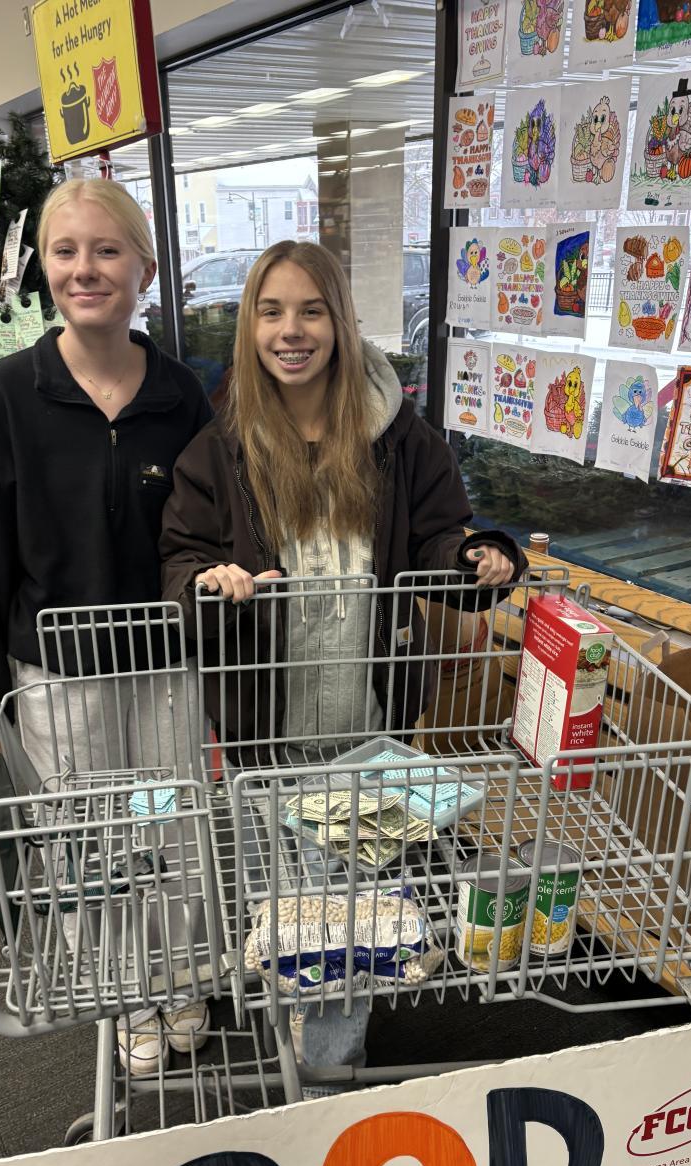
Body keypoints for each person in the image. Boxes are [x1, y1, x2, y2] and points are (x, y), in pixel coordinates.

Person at [159, 239, 527, 1072]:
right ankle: (311, 1039)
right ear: (251, 325)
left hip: (369, 735)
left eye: (312, 311)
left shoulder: (398, 438)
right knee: (294, 912)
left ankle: (326, 1076)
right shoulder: (220, 449)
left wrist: (479, 557)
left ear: (342, 322)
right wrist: (208, 582)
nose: (291, 331)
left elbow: (441, 535)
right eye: (271, 312)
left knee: (347, 918)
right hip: (265, 736)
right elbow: (181, 557)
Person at [0, 178, 214, 1075]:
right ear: (44, 269)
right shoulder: (0, 399)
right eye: (65, 252)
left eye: (107, 251)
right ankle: (122, 992)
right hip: (56, 674)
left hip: (165, 664)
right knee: (84, 838)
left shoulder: (182, 396)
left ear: (146, 269)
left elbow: (209, 532)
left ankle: (180, 976)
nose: (85, 270)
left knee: (170, 827)